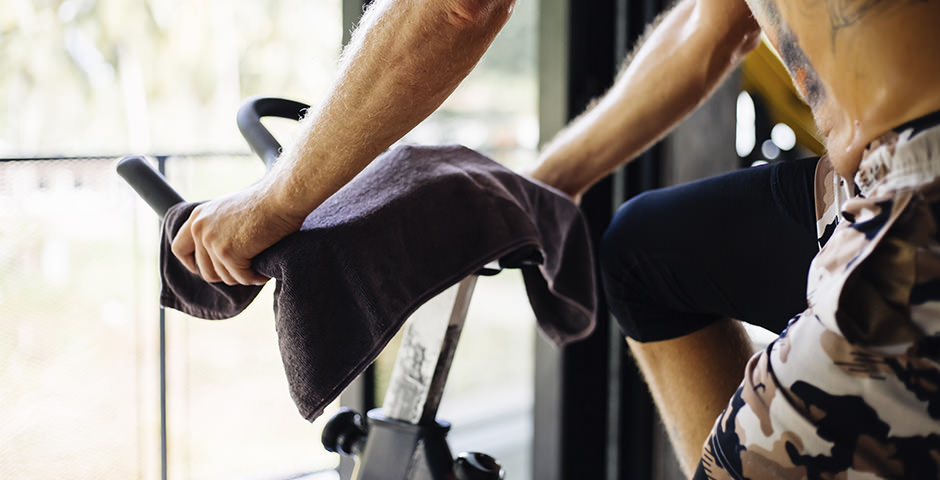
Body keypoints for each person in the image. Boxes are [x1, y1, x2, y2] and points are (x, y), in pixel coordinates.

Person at [170, 0, 940, 477]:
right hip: (869, 175)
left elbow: (454, 8)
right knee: (649, 250)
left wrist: (272, 202)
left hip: (917, 189)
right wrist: (550, 182)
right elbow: (714, 25)